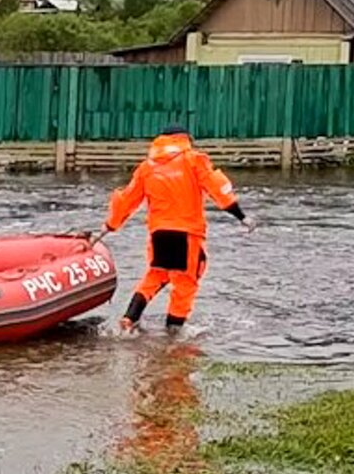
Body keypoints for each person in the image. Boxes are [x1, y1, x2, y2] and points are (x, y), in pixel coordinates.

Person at [100, 124, 257, 331]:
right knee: (185, 284)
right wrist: (241, 216)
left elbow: (126, 199)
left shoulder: (147, 168)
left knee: (156, 275)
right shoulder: (193, 160)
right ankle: (173, 333)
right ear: (185, 139)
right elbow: (217, 187)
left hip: (159, 234)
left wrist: (110, 225)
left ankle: (130, 318)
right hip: (187, 233)